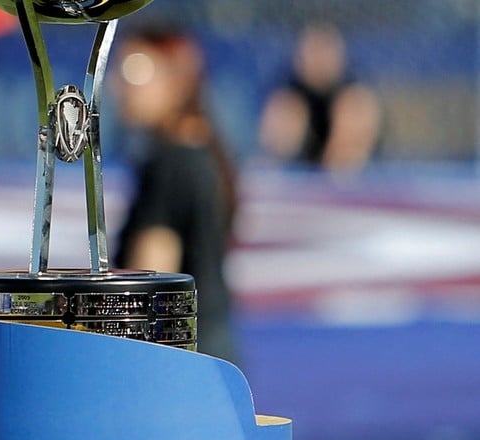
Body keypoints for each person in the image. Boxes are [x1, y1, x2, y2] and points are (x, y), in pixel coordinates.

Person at [112, 25, 238, 363]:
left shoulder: (169, 162)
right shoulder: (206, 150)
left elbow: (151, 285)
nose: (120, 87)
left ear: (176, 80)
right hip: (214, 352)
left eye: (135, 73)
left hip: (179, 362)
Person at [259, 22, 381, 172]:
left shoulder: (355, 96)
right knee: (286, 112)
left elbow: (347, 164)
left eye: (325, 49)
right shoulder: (287, 96)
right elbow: (270, 161)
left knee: (355, 109)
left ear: (340, 54)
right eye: (313, 50)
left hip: (351, 180)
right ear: (299, 55)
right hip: (297, 176)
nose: (319, 59)